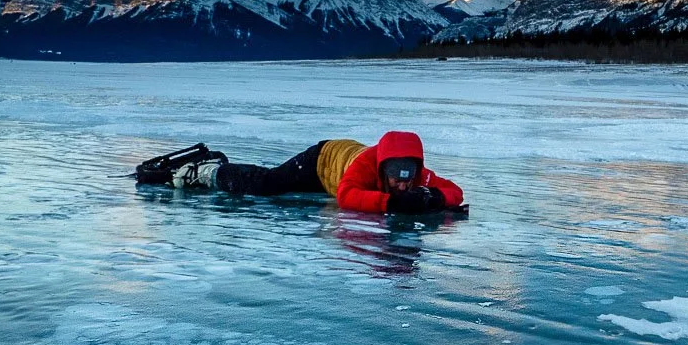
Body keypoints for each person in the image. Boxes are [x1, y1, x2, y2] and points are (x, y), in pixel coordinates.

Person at [140, 131, 463, 214]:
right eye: (395, 172)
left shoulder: (413, 176)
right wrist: (390, 204)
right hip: (321, 161)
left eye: (408, 172)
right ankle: (206, 173)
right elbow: (347, 196)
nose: (402, 181)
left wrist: (434, 197)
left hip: (341, 152)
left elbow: (455, 191)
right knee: (267, 184)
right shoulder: (365, 166)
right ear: (382, 165)